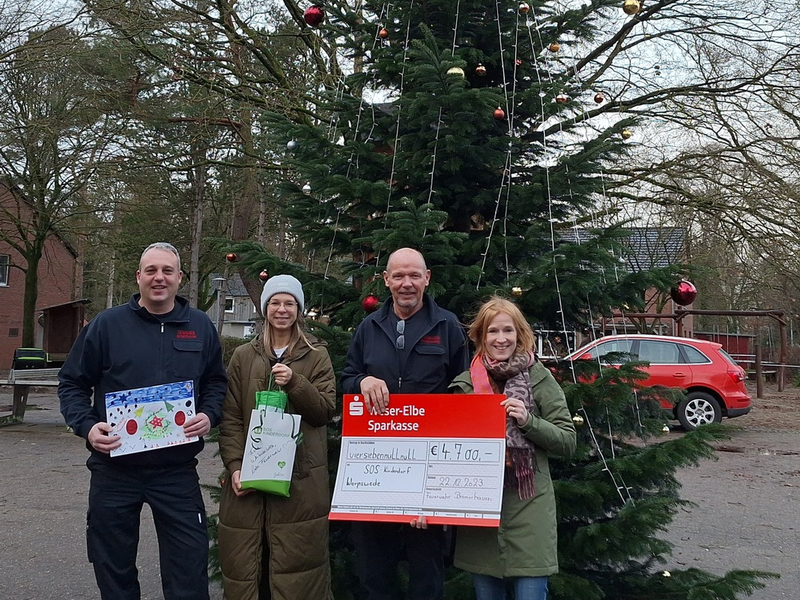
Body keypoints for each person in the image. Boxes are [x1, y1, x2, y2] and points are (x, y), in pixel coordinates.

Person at [58, 242, 228, 600]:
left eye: (167, 270)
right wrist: (88, 428)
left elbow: (216, 382)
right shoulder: (107, 325)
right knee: (113, 567)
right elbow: (72, 383)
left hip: (176, 471)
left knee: (189, 568)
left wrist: (208, 415)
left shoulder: (199, 326)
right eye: (151, 270)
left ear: (180, 278)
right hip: (114, 470)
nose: (159, 278)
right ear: (138, 277)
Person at [341, 247, 470, 600]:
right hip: (374, 468)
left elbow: (465, 390)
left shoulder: (448, 326)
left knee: (426, 572)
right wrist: (362, 382)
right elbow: (347, 378)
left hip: (428, 469)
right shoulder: (369, 327)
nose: (407, 283)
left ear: (427, 279)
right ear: (386, 281)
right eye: (398, 276)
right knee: (373, 570)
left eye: (414, 275)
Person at [448, 296, 576, 600]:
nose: (501, 339)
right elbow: (447, 453)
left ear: (520, 334)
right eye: (493, 331)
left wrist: (528, 421)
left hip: (530, 509)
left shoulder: (539, 378)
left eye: (508, 330)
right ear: (481, 336)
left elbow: (568, 441)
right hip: (480, 514)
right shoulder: (464, 385)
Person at [217, 274, 336, 600]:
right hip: (249, 486)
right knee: (251, 573)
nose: (281, 309)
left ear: (298, 309)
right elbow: (230, 419)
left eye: (289, 303)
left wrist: (296, 383)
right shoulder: (243, 355)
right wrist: (235, 466)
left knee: (295, 578)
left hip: (300, 488)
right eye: (275, 302)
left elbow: (324, 412)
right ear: (265, 307)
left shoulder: (316, 355)